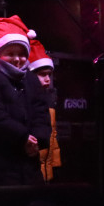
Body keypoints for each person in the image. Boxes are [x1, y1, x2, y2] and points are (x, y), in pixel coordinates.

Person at [0, 16, 51, 187]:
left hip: (30, 165)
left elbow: (42, 113)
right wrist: (22, 138)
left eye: (22, 54)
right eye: (10, 54)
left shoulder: (30, 79)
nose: (17, 59)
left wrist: (37, 140)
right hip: (1, 165)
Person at [29, 40, 61, 181]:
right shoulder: (27, 101)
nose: (47, 79)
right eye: (42, 74)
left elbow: (52, 136)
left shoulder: (48, 100)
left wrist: (55, 165)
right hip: (34, 170)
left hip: (46, 174)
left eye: (49, 74)